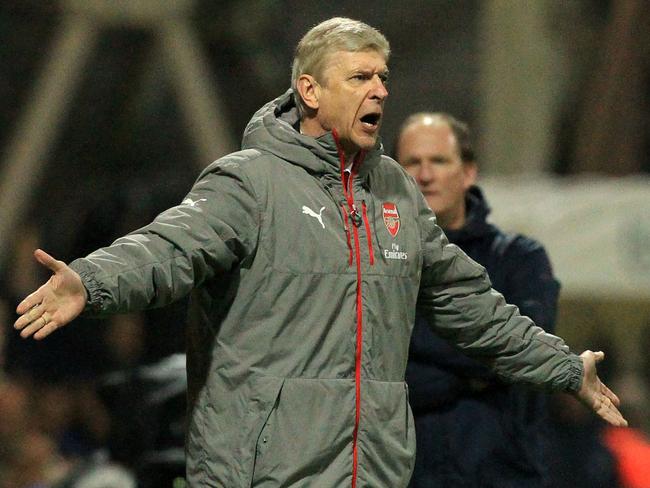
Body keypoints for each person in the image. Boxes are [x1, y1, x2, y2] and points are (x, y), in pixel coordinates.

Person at [13, 17, 626, 488]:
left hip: (375, 470)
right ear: (309, 90)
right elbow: (168, 246)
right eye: (360, 77)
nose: (379, 91)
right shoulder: (249, 182)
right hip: (264, 473)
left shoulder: (395, 193)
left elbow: (472, 305)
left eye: (384, 77)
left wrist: (564, 368)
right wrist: (91, 281)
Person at [395, 112, 559, 487]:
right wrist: (475, 368)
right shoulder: (377, 265)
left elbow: (526, 352)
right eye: (412, 163)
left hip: (502, 476)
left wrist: (408, 371)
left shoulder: (519, 259)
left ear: (468, 173)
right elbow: (364, 365)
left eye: (438, 160)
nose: (425, 175)